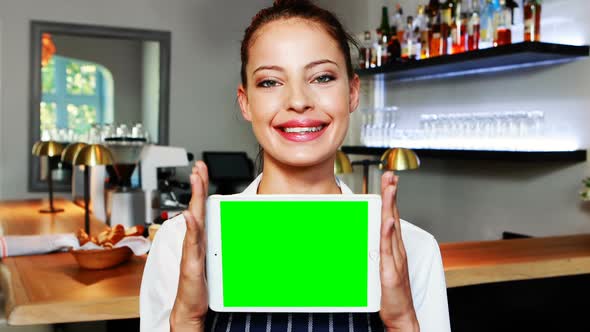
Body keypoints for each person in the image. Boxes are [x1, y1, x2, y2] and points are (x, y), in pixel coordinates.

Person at [140, 1, 450, 331]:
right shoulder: (178, 243)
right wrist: (187, 320)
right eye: (271, 82)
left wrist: (402, 322)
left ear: (353, 93)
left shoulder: (414, 250)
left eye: (322, 77)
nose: (298, 101)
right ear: (245, 103)